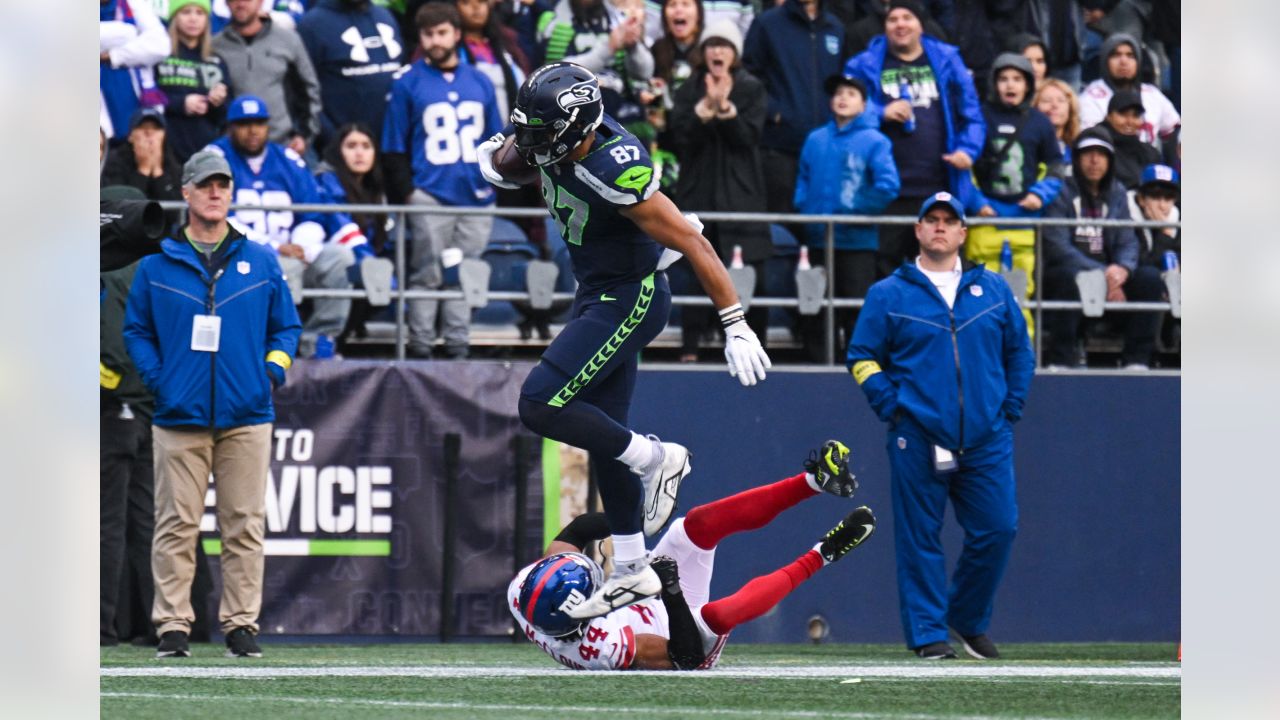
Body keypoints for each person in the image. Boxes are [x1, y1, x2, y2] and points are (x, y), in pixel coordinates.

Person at [478, 62, 772, 618]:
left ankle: (659, 456)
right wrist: (499, 152)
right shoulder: (555, 141)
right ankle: (634, 571)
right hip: (595, 292)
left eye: (542, 133)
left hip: (630, 297)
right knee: (603, 435)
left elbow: (692, 240)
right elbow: (506, 163)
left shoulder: (613, 166)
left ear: (574, 128)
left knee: (539, 402)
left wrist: (734, 322)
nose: (532, 143)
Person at [123, 150, 302, 659]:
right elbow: (136, 330)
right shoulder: (157, 264)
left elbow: (286, 326)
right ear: (186, 192)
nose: (216, 191)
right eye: (205, 184)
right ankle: (172, 626)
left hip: (246, 414)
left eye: (223, 183)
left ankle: (241, 625)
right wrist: (160, 380)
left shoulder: (261, 259)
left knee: (244, 523)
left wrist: (272, 371)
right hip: (178, 414)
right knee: (175, 525)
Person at [846, 191, 1035, 660]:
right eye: (931, 220)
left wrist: (1009, 408)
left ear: (963, 233)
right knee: (919, 538)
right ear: (918, 230)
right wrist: (893, 407)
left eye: (949, 221)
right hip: (919, 435)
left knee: (999, 528)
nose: (940, 227)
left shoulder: (992, 289)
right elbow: (862, 356)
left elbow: (1020, 352)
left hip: (987, 436)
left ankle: (966, 619)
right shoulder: (889, 293)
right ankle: (929, 633)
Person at [510, 441, 871, 670]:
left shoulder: (525, 591)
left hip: (638, 604)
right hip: (670, 636)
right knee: (718, 615)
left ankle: (813, 481)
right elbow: (685, 655)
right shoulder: (602, 648)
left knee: (695, 525)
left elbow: (580, 530)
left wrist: (637, 524)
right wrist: (671, 591)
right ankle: (823, 554)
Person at [207, 95, 374, 358]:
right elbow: (215, 216)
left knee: (338, 257)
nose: (252, 131)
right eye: (244, 124)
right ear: (230, 127)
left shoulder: (287, 159)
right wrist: (274, 248)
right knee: (283, 268)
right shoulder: (216, 157)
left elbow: (313, 212)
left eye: (259, 123)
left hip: (292, 250)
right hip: (241, 256)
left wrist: (302, 246)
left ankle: (320, 340)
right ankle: (276, 344)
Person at [382, 3, 504, 359]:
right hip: (430, 192)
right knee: (428, 272)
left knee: (466, 273)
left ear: (456, 33)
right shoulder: (408, 82)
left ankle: (457, 345)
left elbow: (497, 141)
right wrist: (409, 193)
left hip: (476, 195)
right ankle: (419, 346)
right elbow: (392, 145)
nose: (435, 41)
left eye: (441, 32)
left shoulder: (479, 79)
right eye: (428, 34)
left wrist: (491, 184)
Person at [842, 0, 985, 279]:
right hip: (885, 190)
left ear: (921, 24)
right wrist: (881, 112)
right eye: (893, 19)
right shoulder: (863, 64)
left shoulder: (946, 59)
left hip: (939, 185)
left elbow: (972, 114)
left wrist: (968, 151)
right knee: (884, 271)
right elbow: (844, 111)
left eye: (907, 17)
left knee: (940, 269)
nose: (900, 24)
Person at [667, 19, 771, 363]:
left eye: (724, 46)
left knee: (749, 276)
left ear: (734, 53)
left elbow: (749, 139)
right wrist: (703, 111)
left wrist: (725, 111)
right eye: (712, 45)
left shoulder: (751, 88)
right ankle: (691, 349)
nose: (717, 51)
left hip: (742, 197)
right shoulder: (688, 88)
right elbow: (678, 138)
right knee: (696, 271)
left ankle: (755, 348)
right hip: (698, 194)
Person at [793, 74, 900, 362]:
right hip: (817, 239)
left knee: (855, 309)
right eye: (838, 92)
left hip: (857, 242)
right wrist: (804, 208)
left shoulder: (875, 141)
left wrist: (853, 212)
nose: (842, 98)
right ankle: (816, 366)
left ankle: (859, 369)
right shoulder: (815, 139)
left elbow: (888, 186)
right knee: (814, 308)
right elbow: (803, 179)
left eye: (851, 94)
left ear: (864, 104)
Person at [1041, 127, 1162, 369]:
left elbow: (1128, 240)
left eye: (1101, 154)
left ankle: (1136, 361)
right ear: (1076, 158)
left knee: (1149, 278)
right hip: (1072, 275)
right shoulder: (1061, 191)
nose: (1094, 160)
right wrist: (1103, 275)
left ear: (1110, 159)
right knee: (1065, 277)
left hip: (1111, 279)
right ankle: (1061, 360)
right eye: (1087, 153)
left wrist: (1122, 270)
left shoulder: (1117, 192)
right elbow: (1058, 246)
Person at [101, 186, 158, 647]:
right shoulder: (157, 267)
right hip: (154, 410)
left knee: (107, 522)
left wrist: (109, 385)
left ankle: (102, 624)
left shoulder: (104, 270)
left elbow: (107, 349)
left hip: (112, 408)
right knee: (148, 523)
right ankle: (151, 623)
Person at [741, 0, 845, 220]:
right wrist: (775, 112)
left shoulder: (835, 27)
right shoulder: (767, 23)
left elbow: (842, 82)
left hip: (826, 148)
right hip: (779, 147)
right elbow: (749, 77)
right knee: (783, 227)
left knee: (821, 228)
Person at [315, 122, 393, 345]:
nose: (359, 153)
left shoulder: (376, 190)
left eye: (366, 146)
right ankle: (325, 344)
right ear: (338, 151)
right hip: (327, 267)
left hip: (362, 264)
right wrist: (391, 286)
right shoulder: (325, 181)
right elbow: (344, 234)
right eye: (351, 146)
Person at [215, 0, 323, 156]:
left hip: (285, 145)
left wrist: (304, 135)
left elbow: (309, 90)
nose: (240, 4)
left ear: (261, 2)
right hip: (234, 150)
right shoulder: (216, 46)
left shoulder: (288, 40)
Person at [297, 0, 405, 151]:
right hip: (342, 151)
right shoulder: (312, 25)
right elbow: (302, 92)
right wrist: (333, 140)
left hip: (391, 147)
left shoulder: (385, 16)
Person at [155, 0, 230, 164]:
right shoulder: (159, 55)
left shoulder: (217, 61)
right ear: (175, 17)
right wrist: (181, 103)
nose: (193, 19)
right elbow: (146, 98)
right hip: (165, 151)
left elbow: (223, 118)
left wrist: (217, 102)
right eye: (186, 12)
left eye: (199, 13)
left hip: (205, 152)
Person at [1078, 33, 1179, 151]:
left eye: (1130, 55)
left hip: (1146, 163)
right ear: (1105, 61)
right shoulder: (1090, 98)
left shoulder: (1152, 94)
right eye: (1116, 55)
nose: (1123, 61)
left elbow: (1174, 132)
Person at [100, 0, 169, 143]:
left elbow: (161, 46)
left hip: (136, 108)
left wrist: (113, 56)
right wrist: (129, 34)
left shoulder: (133, 4)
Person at [100, 107, 185, 209]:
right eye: (142, 127)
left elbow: (177, 213)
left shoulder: (173, 163)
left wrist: (158, 172)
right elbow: (122, 210)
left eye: (156, 128)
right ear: (130, 136)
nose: (149, 132)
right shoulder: (114, 162)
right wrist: (143, 169)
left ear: (164, 136)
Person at [1100, 90, 1160, 189]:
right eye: (1123, 114)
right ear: (1108, 117)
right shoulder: (1098, 147)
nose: (1130, 121)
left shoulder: (1150, 153)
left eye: (1136, 115)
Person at [1033, 78, 1080, 165]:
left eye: (1061, 100)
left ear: (1070, 109)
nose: (1054, 105)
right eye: (1046, 100)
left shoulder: (1079, 149)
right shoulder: (1028, 148)